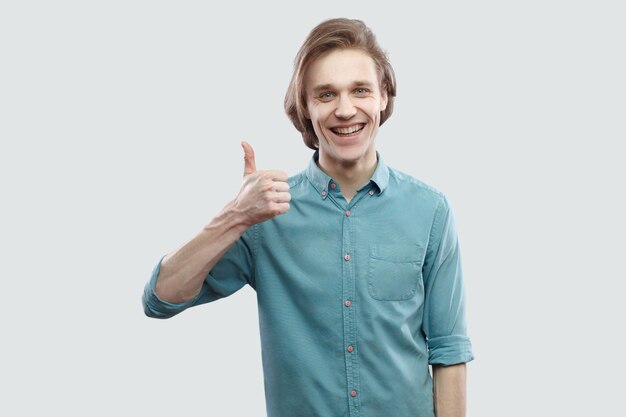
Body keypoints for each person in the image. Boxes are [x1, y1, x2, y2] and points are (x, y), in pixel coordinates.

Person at [142, 17, 474, 417]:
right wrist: (235, 216)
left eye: (360, 90)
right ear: (306, 107)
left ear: (383, 97)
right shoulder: (265, 213)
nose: (345, 109)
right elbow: (160, 299)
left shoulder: (430, 210)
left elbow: (448, 347)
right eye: (326, 94)